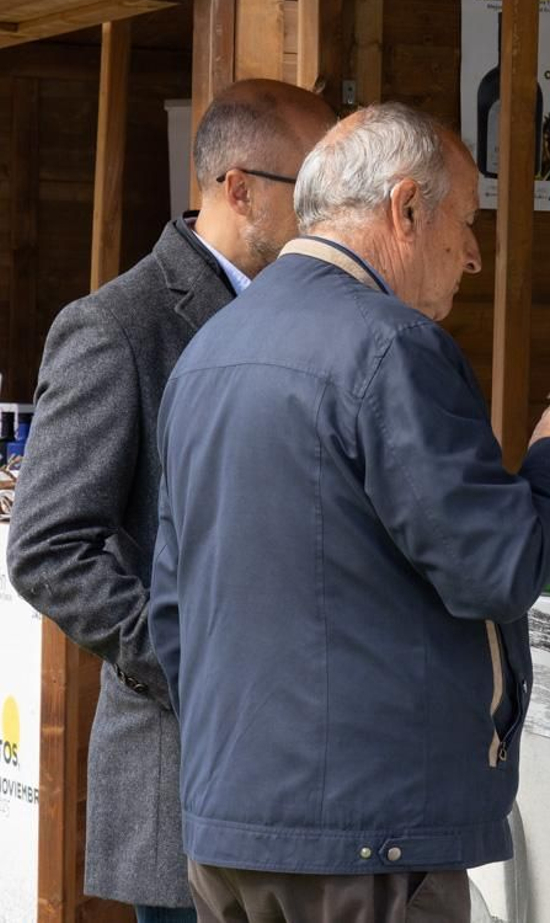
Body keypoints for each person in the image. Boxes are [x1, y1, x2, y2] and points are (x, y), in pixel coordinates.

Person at [148, 102, 550, 922]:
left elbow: (171, 610)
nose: (474, 256)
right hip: (366, 836)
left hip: (229, 823)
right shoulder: (391, 346)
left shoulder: (208, 350)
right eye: (467, 223)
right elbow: (497, 566)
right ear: (406, 207)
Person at [5, 78, 336, 922]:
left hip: (313, 786)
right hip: (183, 780)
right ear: (239, 189)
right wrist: (195, 660)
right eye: (318, 187)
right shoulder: (116, 325)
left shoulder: (332, 315)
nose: (338, 209)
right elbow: (50, 546)